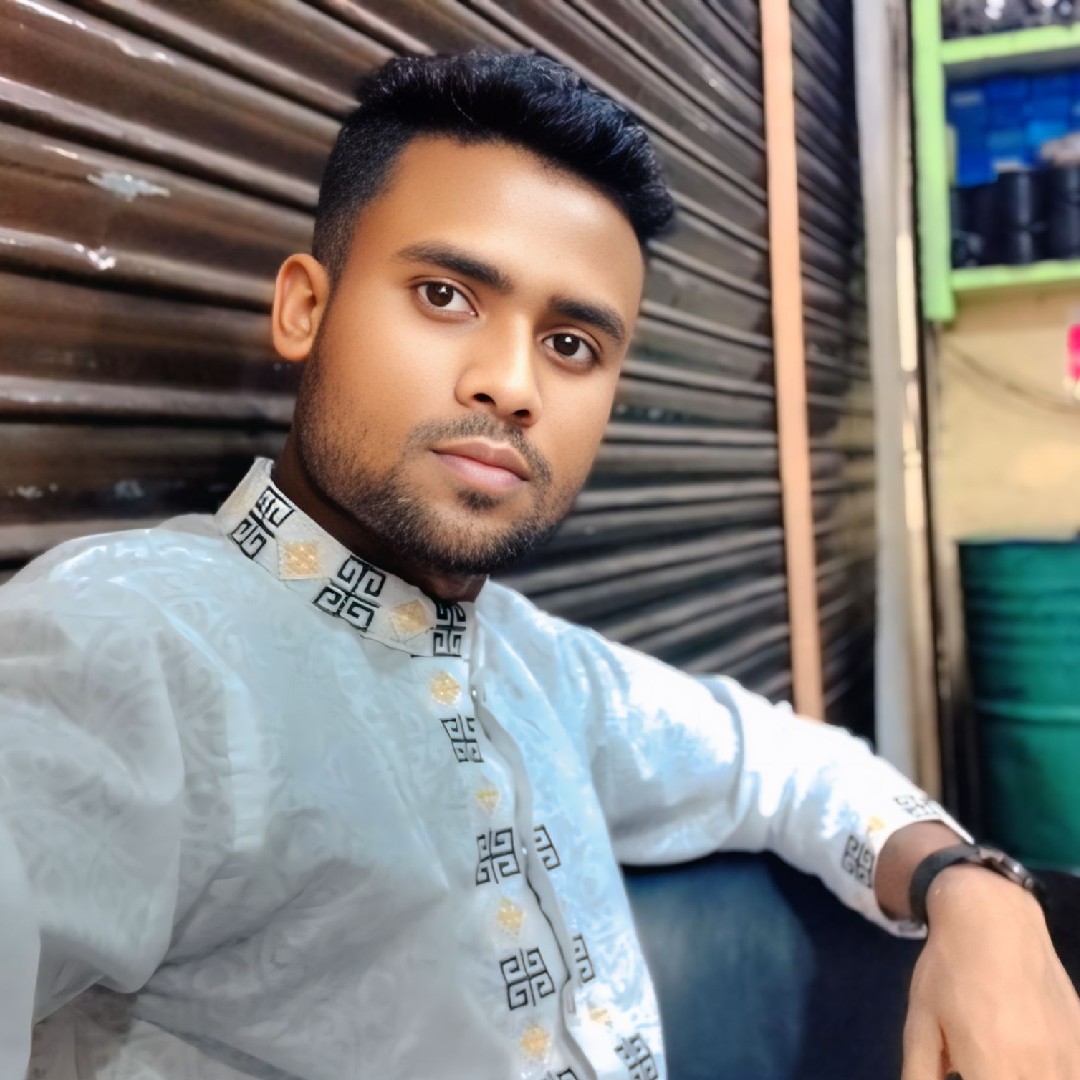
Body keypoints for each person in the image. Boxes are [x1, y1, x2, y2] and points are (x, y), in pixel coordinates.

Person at [1, 51, 1077, 1080]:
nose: (513, 385)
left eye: (571, 345)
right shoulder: (119, 654)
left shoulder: (536, 670)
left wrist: (972, 889)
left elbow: (780, 766)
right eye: (445, 295)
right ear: (305, 308)